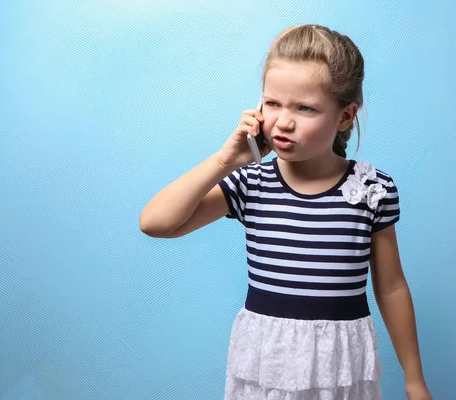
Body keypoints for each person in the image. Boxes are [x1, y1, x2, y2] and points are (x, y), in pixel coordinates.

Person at [139, 24, 432, 400]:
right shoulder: (251, 182)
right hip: (267, 365)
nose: (283, 121)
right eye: (272, 103)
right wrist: (225, 160)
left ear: (345, 117)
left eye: (305, 108)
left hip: (338, 368)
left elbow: (391, 286)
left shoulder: (372, 190)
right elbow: (155, 223)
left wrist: (414, 378)